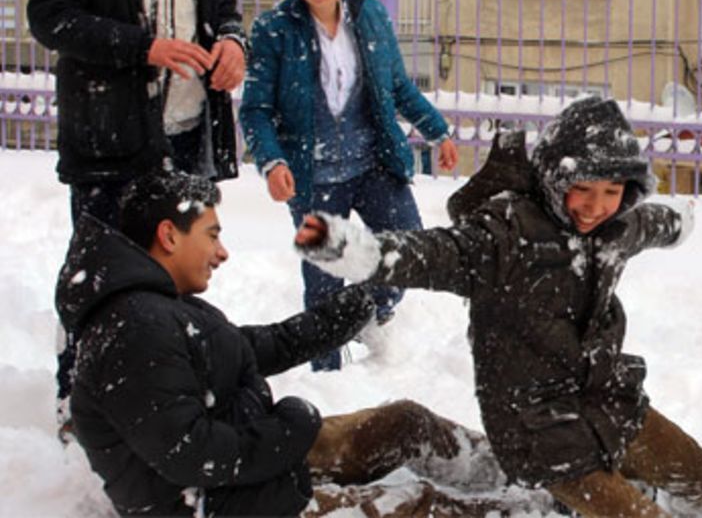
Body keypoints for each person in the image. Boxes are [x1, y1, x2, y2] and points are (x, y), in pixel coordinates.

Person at [294, 96, 702, 518]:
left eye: (612, 191)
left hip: (608, 403)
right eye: (582, 189)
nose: (596, 206)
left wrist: (681, 219)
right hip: (542, 431)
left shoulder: (615, 227)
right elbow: (435, 254)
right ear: (555, 180)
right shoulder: (507, 235)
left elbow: (652, 224)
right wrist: (359, 251)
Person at [55, 170, 517, 517]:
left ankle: (528, 476)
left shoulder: (155, 307)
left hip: (248, 474)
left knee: (405, 424)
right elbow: (193, 457)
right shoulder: (135, 329)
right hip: (225, 506)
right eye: (212, 236)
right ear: (169, 235)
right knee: (415, 505)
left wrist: (334, 320)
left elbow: (244, 349)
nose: (222, 252)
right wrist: (289, 429)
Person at [27, 0, 246, 432]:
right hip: (110, 141)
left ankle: (171, 400)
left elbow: (224, 11)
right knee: (104, 284)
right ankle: (84, 410)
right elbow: (52, 17)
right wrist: (140, 46)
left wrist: (232, 43)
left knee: (177, 281)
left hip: (181, 137)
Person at [239, 0, 459, 370]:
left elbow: (396, 85)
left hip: (373, 164)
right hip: (311, 175)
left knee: (407, 251)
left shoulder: (370, 15)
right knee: (323, 286)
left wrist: (437, 131)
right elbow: (255, 109)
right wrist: (272, 160)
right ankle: (328, 379)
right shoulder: (274, 30)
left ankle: (368, 314)